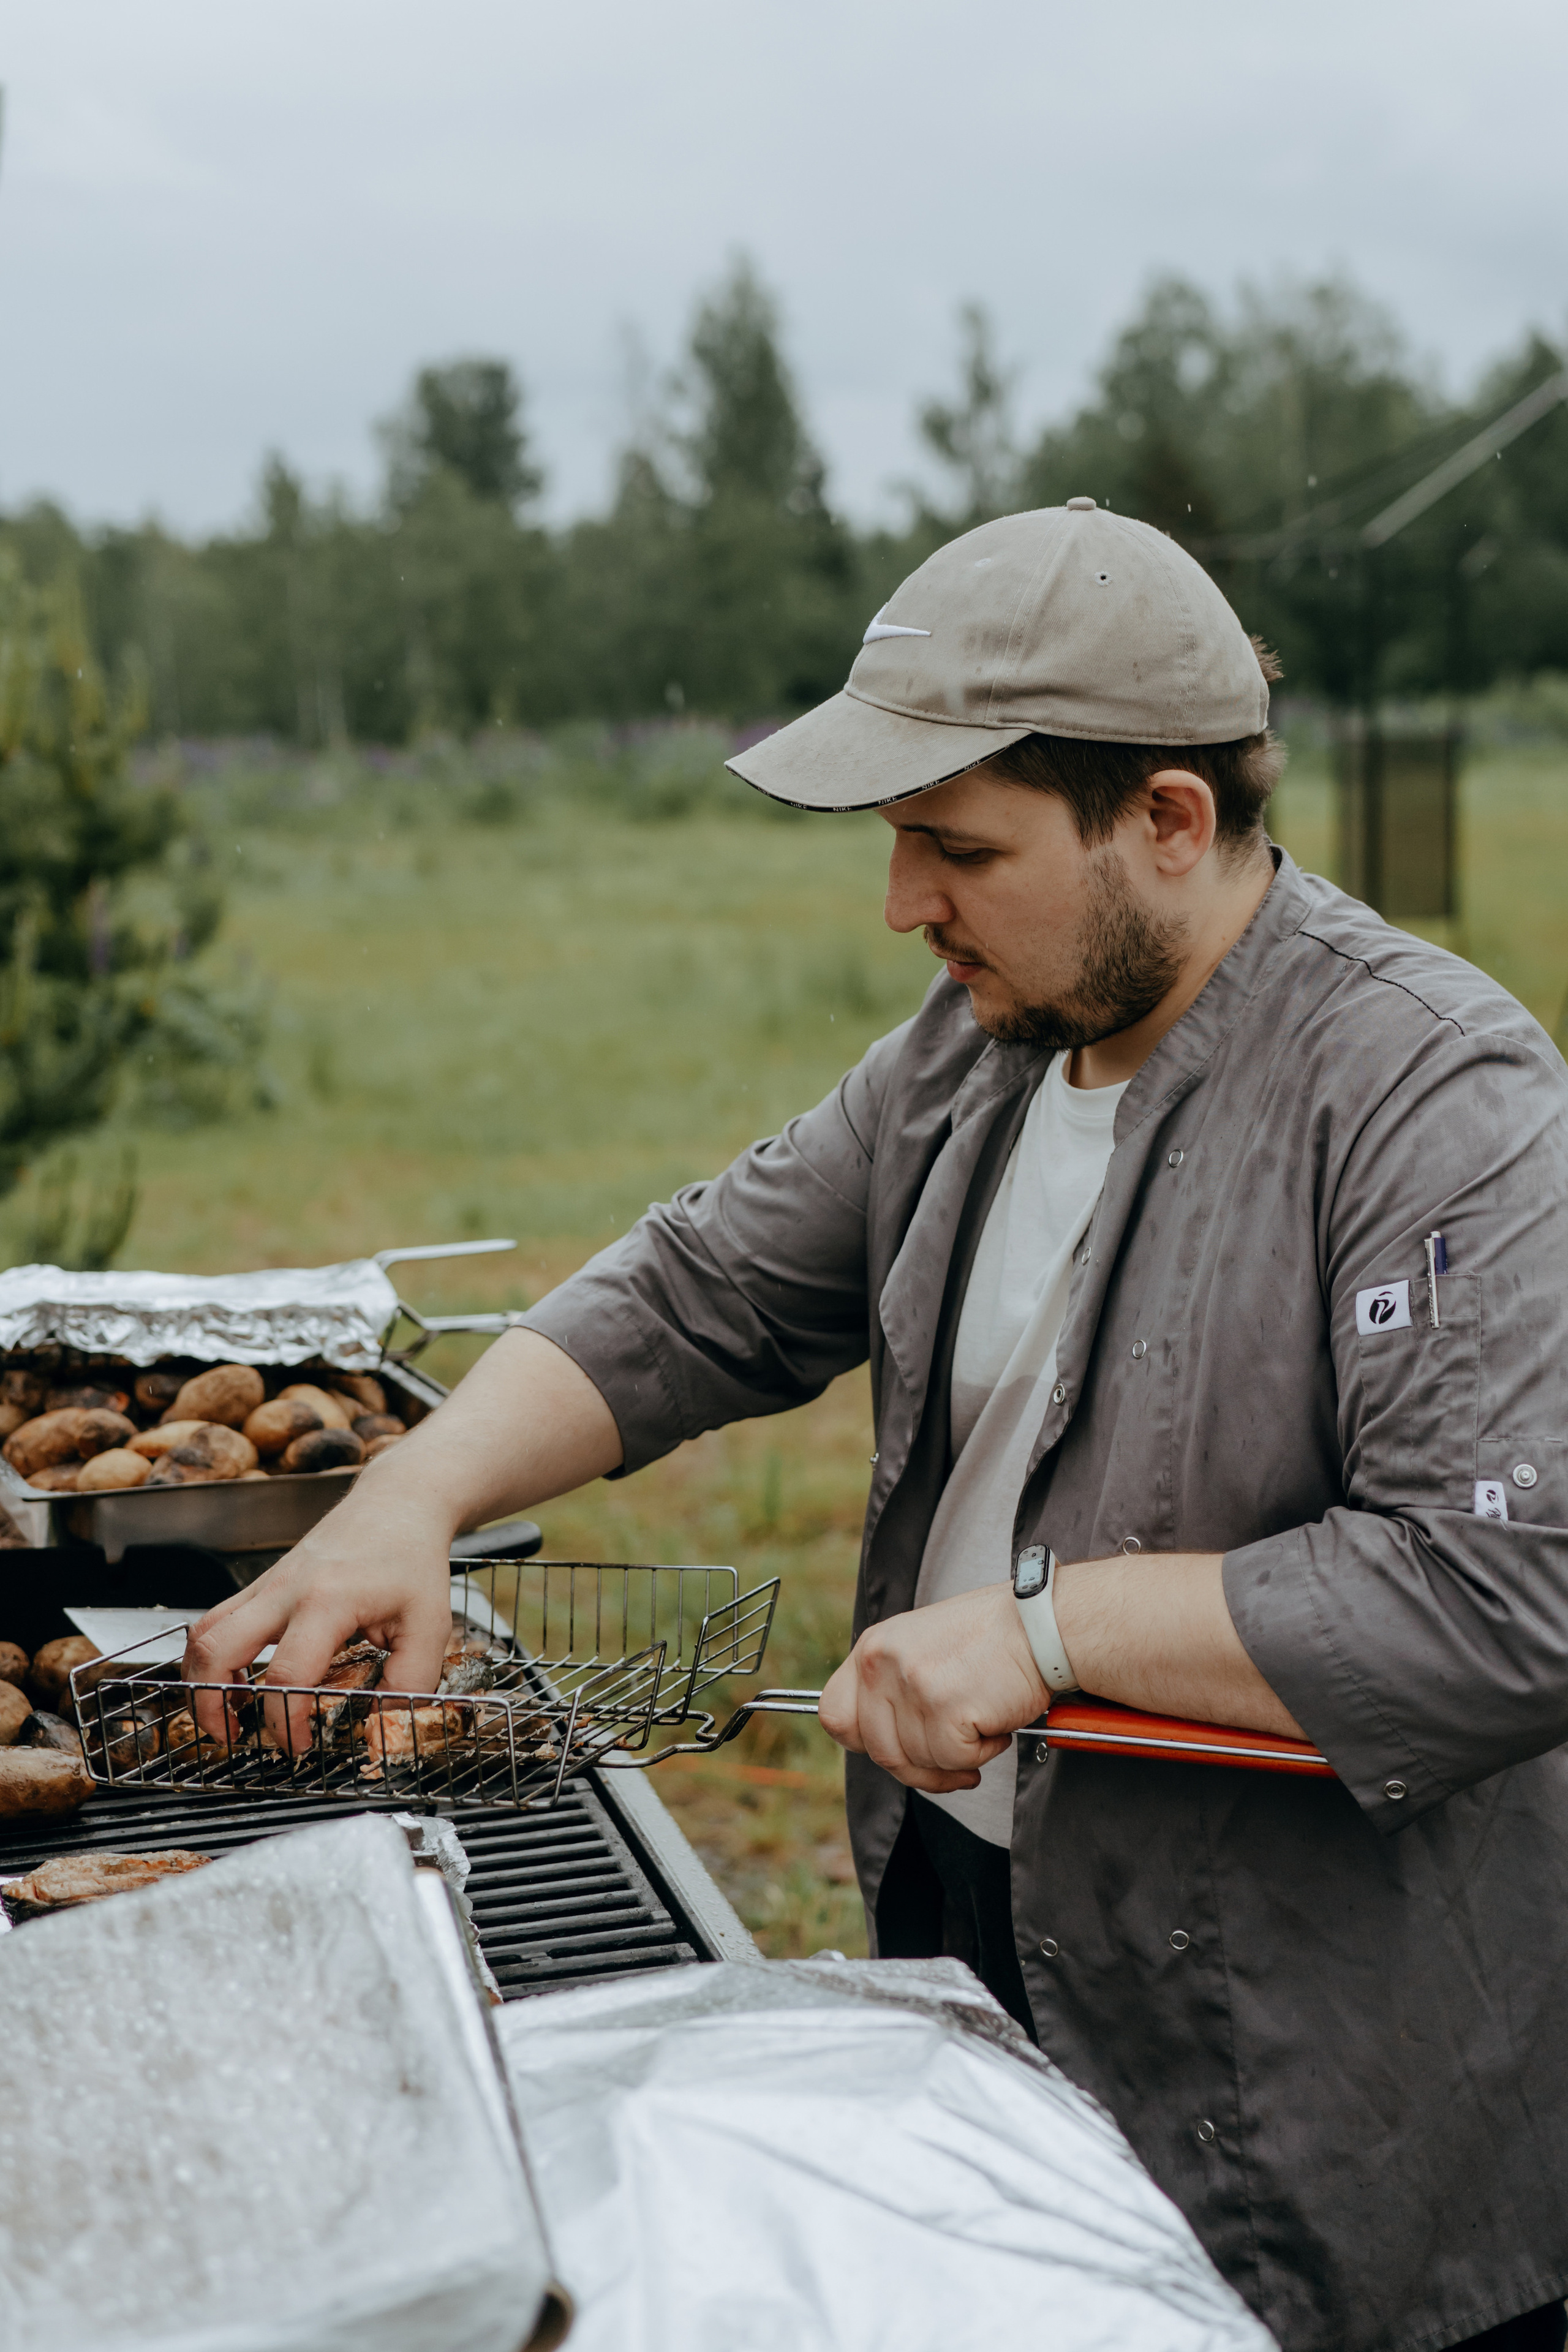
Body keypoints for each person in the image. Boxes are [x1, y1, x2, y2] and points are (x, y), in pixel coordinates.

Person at [187, 501, 1568, 2352]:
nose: (904, 906)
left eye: (956, 848)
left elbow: (1498, 1593)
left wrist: (1047, 1633)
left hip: (1316, 2054)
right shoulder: (978, 1049)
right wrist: (410, 1494)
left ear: (1167, 820)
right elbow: (704, 1287)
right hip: (989, 1926)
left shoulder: (1427, 1093)